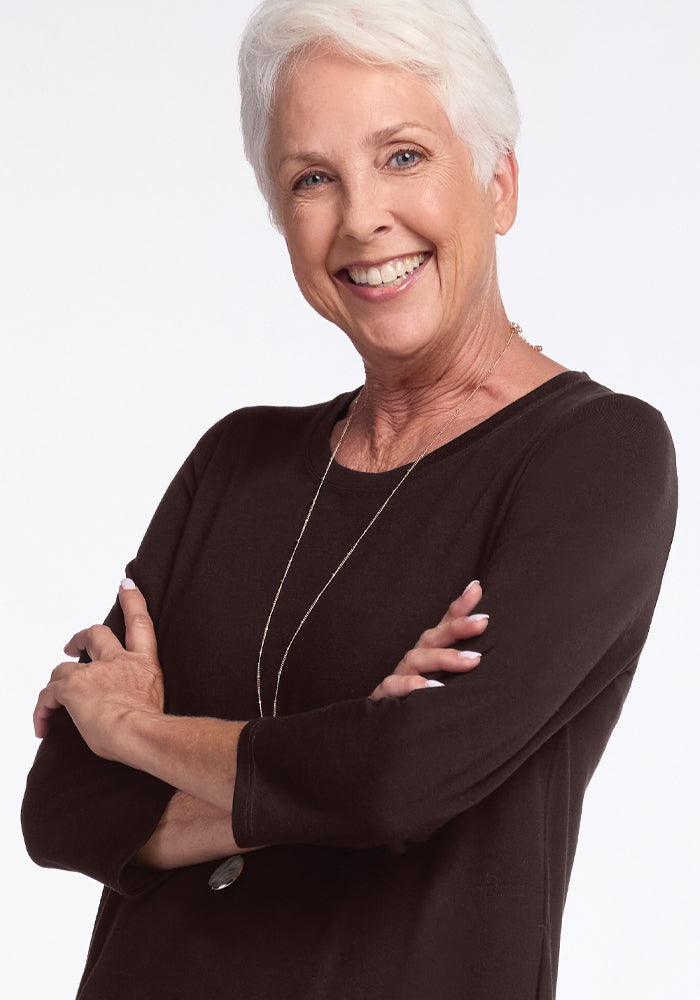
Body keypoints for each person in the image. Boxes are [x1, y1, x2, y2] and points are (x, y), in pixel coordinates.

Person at [21, 1, 676, 997]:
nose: (362, 215)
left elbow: (396, 781)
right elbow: (61, 807)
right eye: (313, 177)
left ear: (497, 183)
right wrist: (329, 764)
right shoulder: (236, 463)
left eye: (403, 155)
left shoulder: (593, 456)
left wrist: (140, 737)